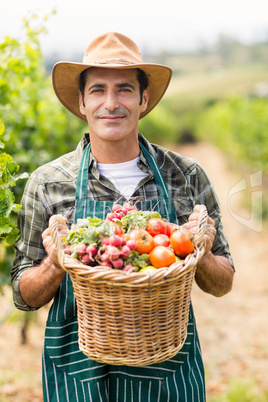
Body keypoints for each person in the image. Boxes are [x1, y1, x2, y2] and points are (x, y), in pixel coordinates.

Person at [11, 32, 234, 401]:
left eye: (125, 90)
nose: (111, 103)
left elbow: (223, 282)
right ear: (82, 102)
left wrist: (204, 254)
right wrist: (54, 264)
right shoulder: (48, 183)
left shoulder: (186, 175)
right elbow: (23, 295)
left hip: (168, 379)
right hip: (77, 378)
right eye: (98, 90)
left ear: (144, 99)